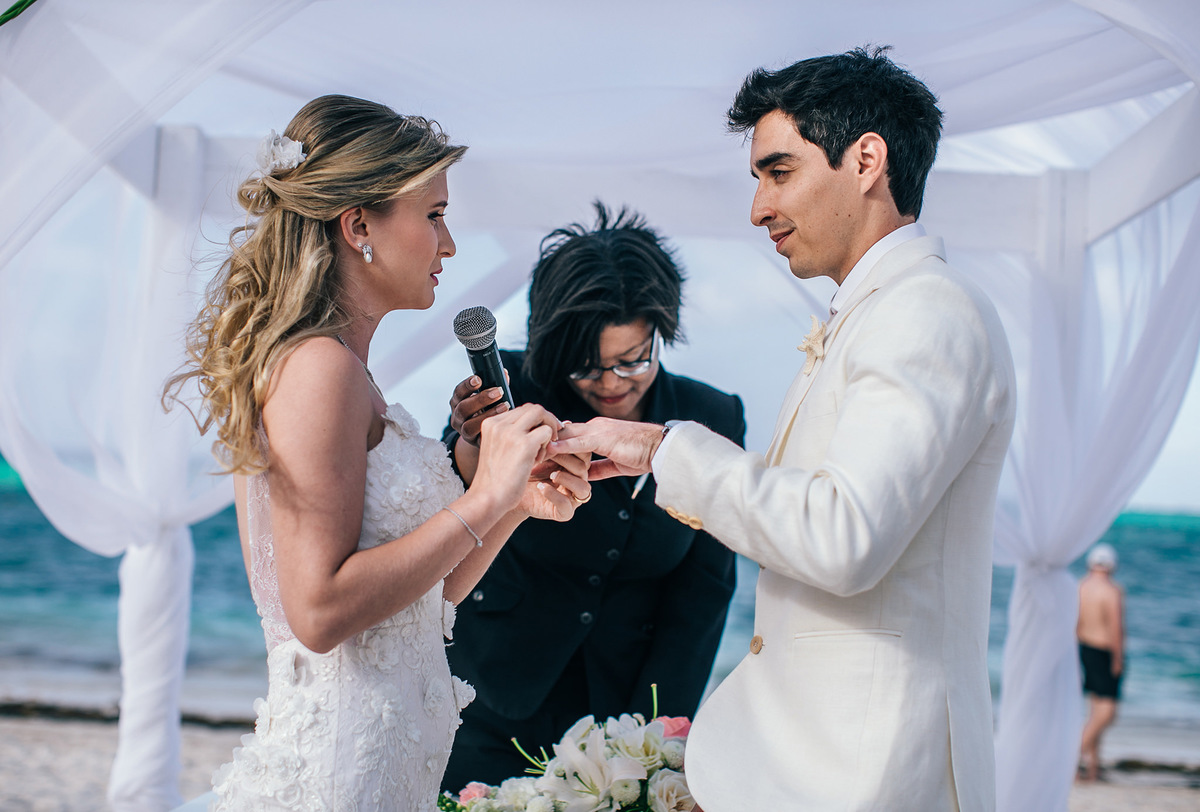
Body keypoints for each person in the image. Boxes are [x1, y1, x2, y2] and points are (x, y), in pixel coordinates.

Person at [551, 47, 1017, 811]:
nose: (759, 208)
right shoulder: (874, 313)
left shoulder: (926, 310)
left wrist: (667, 448)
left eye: (779, 171)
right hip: (812, 765)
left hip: (869, 772)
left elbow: (842, 537)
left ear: (867, 160)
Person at [164, 95, 590, 811]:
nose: (448, 245)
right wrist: (482, 498)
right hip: (336, 781)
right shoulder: (317, 371)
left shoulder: (350, 374)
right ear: (359, 225)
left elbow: (429, 595)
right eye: (433, 215)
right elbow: (320, 610)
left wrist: (511, 498)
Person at [437, 202, 746, 791]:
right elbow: (451, 492)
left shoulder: (710, 417)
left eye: (634, 361)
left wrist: (659, 734)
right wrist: (476, 445)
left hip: (629, 714)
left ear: (662, 332)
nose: (611, 384)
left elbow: (705, 588)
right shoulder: (508, 391)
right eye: (587, 367)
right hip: (490, 697)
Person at [1077, 542, 1125, 782]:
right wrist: (1118, 658)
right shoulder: (1112, 590)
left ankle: (1093, 769)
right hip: (1104, 652)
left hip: (1084, 650)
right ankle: (1074, 759)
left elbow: (1072, 624)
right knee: (1107, 714)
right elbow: (1116, 627)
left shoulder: (1080, 586)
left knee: (1095, 711)